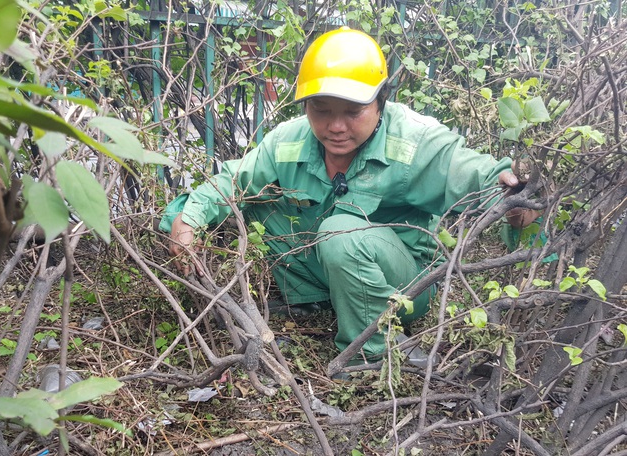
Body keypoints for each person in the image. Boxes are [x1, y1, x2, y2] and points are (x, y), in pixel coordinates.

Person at [160, 27, 538, 363]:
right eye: (320, 110)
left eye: (353, 112)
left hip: (400, 289)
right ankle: (312, 302)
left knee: (339, 232)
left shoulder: (415, 140)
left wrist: (514, 198)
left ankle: (369, 353)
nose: (335, 127)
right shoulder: (289, 141)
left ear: (381, 101)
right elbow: (233, 180)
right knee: (221, 209)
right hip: (326, 272)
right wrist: (190, 218)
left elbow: (477, 171)